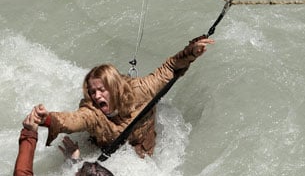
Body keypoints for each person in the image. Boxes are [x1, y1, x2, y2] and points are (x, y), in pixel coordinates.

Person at [34, 36, 215, 158]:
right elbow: (75, 119)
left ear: (115, 88)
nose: (96, 96)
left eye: (101, 90)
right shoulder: (93, 112)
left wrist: (191, 51)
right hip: (107, 149)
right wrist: (49, 119)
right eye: (92, 91)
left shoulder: (140, 90)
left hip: (143, 145)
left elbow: (169, 69)